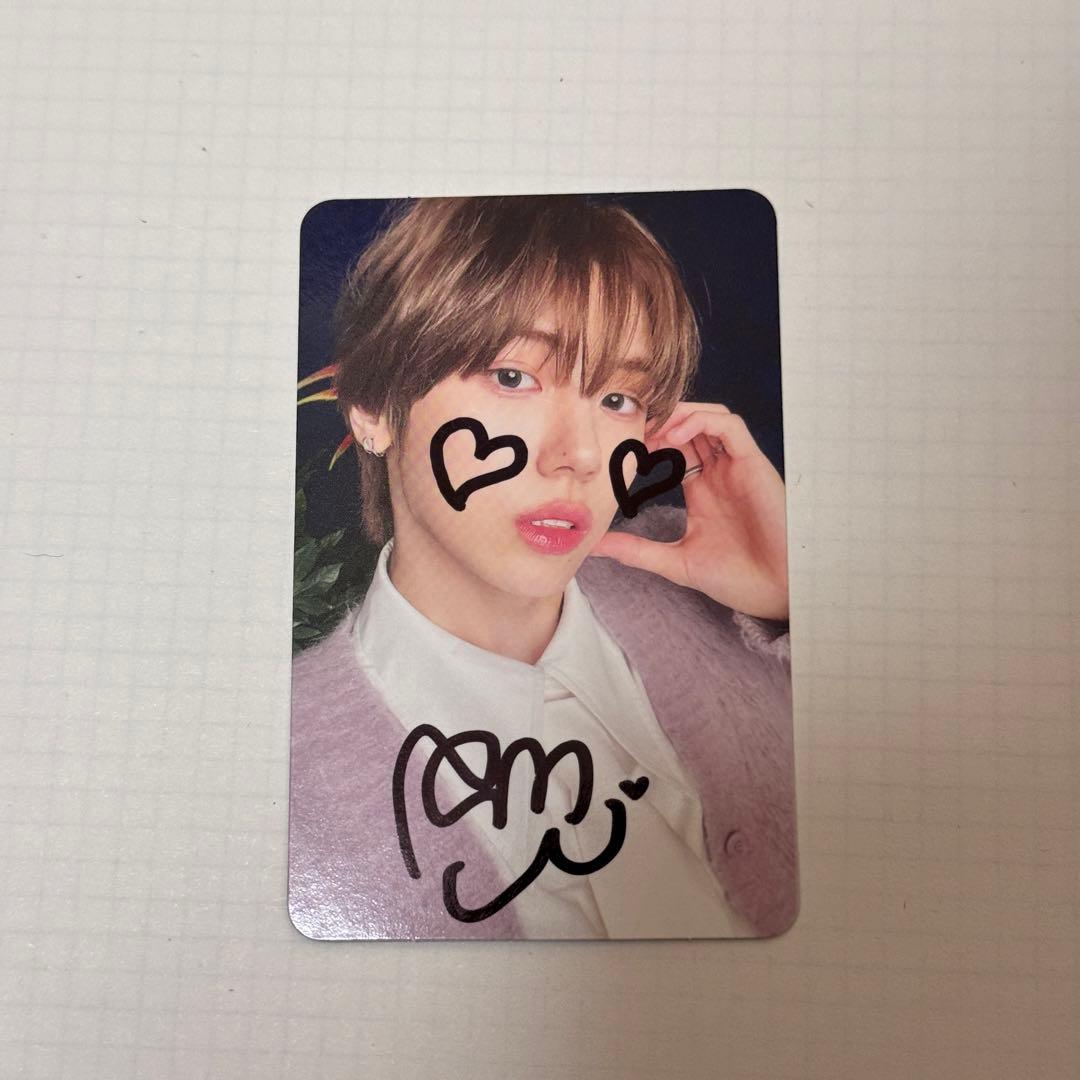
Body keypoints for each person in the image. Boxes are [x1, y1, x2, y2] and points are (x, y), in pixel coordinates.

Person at [288, 195, 797, 940]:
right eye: (513, 377)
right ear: (372, 407)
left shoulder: (724, 584)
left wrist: (792, 604)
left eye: (618, 398)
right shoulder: (288, 763)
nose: (582, 455)